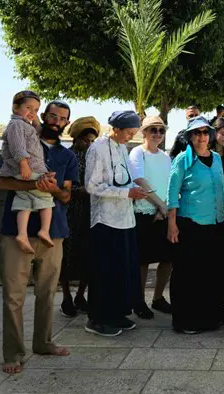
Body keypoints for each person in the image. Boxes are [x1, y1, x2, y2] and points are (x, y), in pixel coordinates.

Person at [0, 100, 76, 373]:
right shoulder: (23, 140)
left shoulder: (68, 156)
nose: (56, 121)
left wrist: (50, 189)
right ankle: (13, 353)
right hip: (15, 232)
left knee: (47, 293)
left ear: (66, 123)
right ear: (42, 116)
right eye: (51, 116)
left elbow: (66, 196)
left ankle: (43, 342)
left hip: (53, 233)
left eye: (62, 118)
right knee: (14, 296)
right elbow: (1, 182)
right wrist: (32, 183)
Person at [167, 117, 224, 333]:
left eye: (205, 132)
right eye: (196, 133)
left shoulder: (216, 158)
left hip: (216, 223)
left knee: (213, 272)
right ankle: (186, 320)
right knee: (189, 274)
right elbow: (172, 194)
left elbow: (221, 191)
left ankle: (212, 315)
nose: (201, 137)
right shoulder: (182, 160)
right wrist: (172, 224)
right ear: (189, 136)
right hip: (191, 223)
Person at [84, 110, 148, 337]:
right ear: (116, 129)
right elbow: (92, 186)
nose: (130, 136)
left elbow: (126, 179)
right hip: (105, 221)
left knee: (122, 270)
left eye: (133, 132)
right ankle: (98, 318)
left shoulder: (122, 148)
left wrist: (136, 191)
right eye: (128, 132)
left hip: (125, 219)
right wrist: (126, 193)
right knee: (105, 271)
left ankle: (117, 313)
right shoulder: (98, 148)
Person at [0, 90, 54, 254]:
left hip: (28, 169)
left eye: (36, 110)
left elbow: (39, 133)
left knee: (24, 200)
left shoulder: (24, 124)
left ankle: (22, 234)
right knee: (46, 195)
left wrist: (34, 119)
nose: (32, 113)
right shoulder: (16, 125)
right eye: (28, 108)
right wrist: (23, 163)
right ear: (15, 107)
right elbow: (17, 146)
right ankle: (44, 229)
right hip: (28, 168)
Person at [129, 116, 173, 316]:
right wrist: (160, 205)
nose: (157, 134)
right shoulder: (137, 152)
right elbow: (139, 180)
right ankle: (138, 302)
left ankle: (157, 298)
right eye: (153, 129)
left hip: (161, 213)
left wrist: (162, 208)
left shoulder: (166, 157)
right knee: (142, 261)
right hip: (143, 212)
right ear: (144, 132)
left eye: (161, 130)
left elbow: (169, 184)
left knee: (168, 258)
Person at [59, 116, 100, 318]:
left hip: (90, 212)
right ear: (76, 137)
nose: (88, 143)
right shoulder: (66, 156)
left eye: (92, 140)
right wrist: (81, 190)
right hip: (69, 211)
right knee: (66, 255)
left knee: (89, 254)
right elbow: (62, 185)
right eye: (86, 139)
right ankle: (66, 296)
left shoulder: (95, 158)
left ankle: (81, 296)